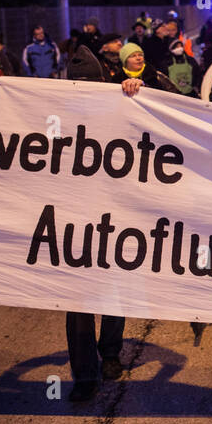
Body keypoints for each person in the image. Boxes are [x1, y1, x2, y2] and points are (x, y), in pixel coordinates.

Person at [58, 44, 147, 400]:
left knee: (113, 294)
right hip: (73, 222)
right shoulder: (54, 113)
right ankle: (84, 376)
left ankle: (109, 354)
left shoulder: (121, 108)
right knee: (78, 304)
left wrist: (139, 95)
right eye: (76, 84)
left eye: (89, 83)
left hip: (114, 219)